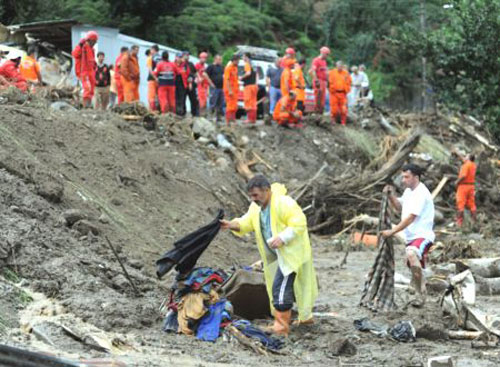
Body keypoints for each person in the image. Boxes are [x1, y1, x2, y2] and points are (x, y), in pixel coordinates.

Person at [220, 175, 318, 336]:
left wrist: (283, 238)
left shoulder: (284, 203)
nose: (253, 199)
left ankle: (281, 327)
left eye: (256, 195)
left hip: (291, 255)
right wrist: (230, 224)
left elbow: (299, 222)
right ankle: (304, 318)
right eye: (251, 196)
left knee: (280, 288)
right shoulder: (256, 208)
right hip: (276, 256)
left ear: (266, 190)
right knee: (283, 287)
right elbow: (246, 223)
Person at [382, 164, 435, 305]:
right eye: (403, 177)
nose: (403, 180)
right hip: (410, 236)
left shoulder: (421, 193)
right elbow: (399, 207)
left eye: (407, 177)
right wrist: (391, 195)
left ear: (416, 177)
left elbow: (410, 217)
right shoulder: (408, 192)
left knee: (411, 254)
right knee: (413, 262)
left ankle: (420, 293)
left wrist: (392, 232)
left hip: (422, 235)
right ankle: (419, 284)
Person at [72, 30, 98, 108]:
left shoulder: (92, 49)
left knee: (92, 89)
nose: (95, 44)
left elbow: (91, 60)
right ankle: (85, 107)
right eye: (94, 42)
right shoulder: (82, 47)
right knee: (87, 88)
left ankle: (89, 106)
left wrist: (95, 65)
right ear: (90, 40)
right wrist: (80, 45)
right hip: (83, 72)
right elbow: (74, 54)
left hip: (91, 72)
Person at [453, 149, 477, 227]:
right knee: (472, 204)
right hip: (471, 186)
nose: (465, 157)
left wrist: (457, 182)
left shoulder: (466, 165)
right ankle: (474, 222)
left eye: (466, 156)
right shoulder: (473, 165)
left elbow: (463, 176)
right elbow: (463, 159)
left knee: (460, 203)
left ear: (469, 158)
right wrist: (457, 152)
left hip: (463, 186)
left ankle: (459, 223)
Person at [328, 61, 351, 125]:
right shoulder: (332, 72)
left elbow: (349, 81)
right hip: (334, 93)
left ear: (342, 66)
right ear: (336, 66)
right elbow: (328, 81)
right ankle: (333, 121)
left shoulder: (346, 73)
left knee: (343, 109)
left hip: (343, 93)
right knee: (334, 109)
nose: (339, 67)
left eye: (341, 66)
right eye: (338, 66)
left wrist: (347, 89)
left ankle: (343, 122)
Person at [310, 46, 330, 114]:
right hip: (318, 80)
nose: (327, 56)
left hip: (323, 81)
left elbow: (326, 72)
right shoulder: (316, 60)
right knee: (317, 97)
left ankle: (320, 112)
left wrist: (327, 81)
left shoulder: (324, 61)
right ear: (323, 53)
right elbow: (313, 71)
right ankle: (316, 112)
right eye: (326, 54)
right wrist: (316, 80)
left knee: (323, 98)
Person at [205, 54, 224, 123]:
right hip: (214, 87)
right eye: (219, 59)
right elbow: (205, 74)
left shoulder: (221, 67)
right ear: (215, 59)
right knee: (213, 102)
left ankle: (219, 117)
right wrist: (211, 83)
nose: (220, 61)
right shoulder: (211, 66)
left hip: (221, 87)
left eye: (221, 60)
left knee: (220, 103)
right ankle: (210, 116)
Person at [240, 53, 258, 124]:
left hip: (248, 86)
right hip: (254, 86)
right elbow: (256, 75)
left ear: (246, 57)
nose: (242, 58)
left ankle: (249, 119)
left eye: (243, 57)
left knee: (248, 102)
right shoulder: (253, 64)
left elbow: (248, 73)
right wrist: (256, 84)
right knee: (253, 103)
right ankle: (253, 119)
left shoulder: (247, 64)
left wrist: (241, 77)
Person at [223, 53, 240, 125]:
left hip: (235, 90)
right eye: (238, 61)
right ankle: (228, 121)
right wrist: (229, 90)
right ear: (234, 60)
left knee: (234, 106)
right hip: (229, 90)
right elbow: (227, 80)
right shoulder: (228, 68)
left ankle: (233, 119)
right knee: (230, 106)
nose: (238, 62)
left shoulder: (235, 68)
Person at [183, 51, 199, 117]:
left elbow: (195, 72)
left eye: (188, 55)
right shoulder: (182, 64)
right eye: (186, 55)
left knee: (193, 99)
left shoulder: (191, 64)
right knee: (182, 99)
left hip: (192, 84)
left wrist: (198, 78)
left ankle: (194, 114)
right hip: (184, 85)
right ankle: (183, 113)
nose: (187, 56)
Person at [147, 45, 161, 111]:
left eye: (151, 49)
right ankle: (159, 110)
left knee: (151, 96)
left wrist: (155, 78)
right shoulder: (161, 58)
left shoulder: (150, 58)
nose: (150, 51)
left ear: (153, 50)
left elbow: (150, 70)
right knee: (158, 96)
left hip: (152, 79)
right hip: (160, 79)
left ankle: (152, 110)